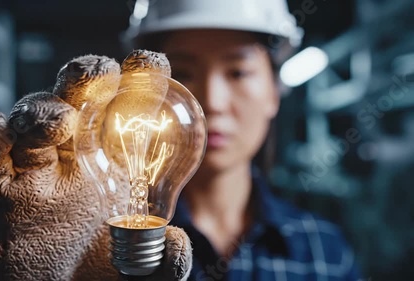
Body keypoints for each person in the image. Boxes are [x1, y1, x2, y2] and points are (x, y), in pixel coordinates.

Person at [124, 0, 363, 280]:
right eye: (184, 74)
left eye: (237, 72)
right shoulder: (114, 250)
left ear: (274, 92)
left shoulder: (324, 255)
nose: (212, 102)